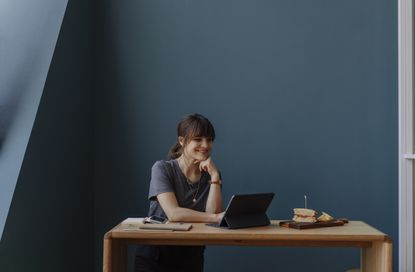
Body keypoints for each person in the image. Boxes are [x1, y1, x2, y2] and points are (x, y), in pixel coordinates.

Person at [135, 113, 224, 272]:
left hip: (191, 255)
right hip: (156, 256)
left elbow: (213, 215)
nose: (205, 145)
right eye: (198, 139)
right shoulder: (162, 169)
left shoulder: (211, 174)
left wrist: (215, 177)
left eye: (210, 139)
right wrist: (216, 217)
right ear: (182, 141)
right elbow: (174, 213)